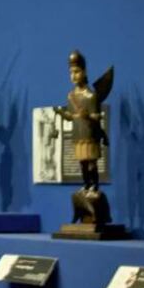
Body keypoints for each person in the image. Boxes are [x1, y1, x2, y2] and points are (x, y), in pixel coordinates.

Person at [55, 51, 112, 192]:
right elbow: (71, 117)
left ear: (84, 72)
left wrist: (88, 116)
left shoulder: (91, 96)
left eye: (77, 72)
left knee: (92, 164)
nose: (73, 76)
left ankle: (94, 186)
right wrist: (61, 113)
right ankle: (87, 185)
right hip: (78, 135)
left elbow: (97, 117)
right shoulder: (71, 96)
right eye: (71, 72)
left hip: (90, 136)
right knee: (82, 164)